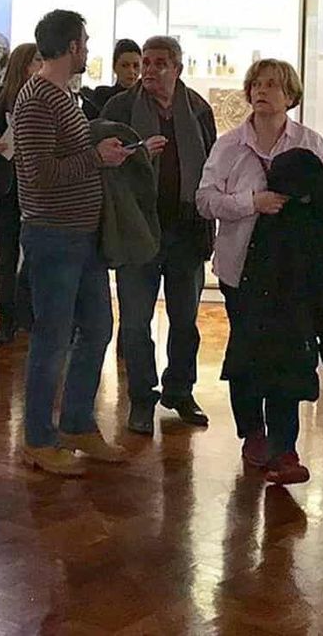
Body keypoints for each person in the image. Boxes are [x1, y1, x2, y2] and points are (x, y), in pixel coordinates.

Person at [196, 59, 323, 485]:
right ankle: (253, 432)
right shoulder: (228, 146)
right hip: (242, 270)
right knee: (248, 354)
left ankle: (285, 445)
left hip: (292, 272)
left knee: (289, 356)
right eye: (256, 83)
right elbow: (204, 200)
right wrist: (250, 203)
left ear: (290, 94)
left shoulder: (310, 143)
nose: (263, 91)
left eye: (273, 85)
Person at [13, 9, 131, 476]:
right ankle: (39, 438)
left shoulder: (61, 95)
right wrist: (96, 159)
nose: (88, 48)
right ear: (72, 47)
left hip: (81, 235)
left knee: (97, 328)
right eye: (84, 40)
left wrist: (105, 157)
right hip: (53, 235)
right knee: (52, 339)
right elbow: (38, 176)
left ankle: (78, 421)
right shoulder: (39, 98)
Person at [103, 35, 216, 434]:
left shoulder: (199, 109)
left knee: (185, 320)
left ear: (178, 68)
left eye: (159, 63)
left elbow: (212, 168)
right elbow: (104, 163)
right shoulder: (121, 107)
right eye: (146, 63)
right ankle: (141, 397)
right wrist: (137, 154)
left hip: (187, 230)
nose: (149, 70)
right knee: (135, 321)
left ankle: (180, 391)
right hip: (138, 227)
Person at [0, 42, 41, 348]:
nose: (41, 66)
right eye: (36, 61)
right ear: (22, 65)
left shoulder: (47, 99)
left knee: (35, 256)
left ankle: (26, 316)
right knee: (7, 256)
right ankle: (6, 321)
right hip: (5, 189)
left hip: (36, 189)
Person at [90, 39, 142, 113]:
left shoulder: (146, 100)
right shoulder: (102, 96)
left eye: (136, 66)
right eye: (124, 65)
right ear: (114, 67)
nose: (131, 71)